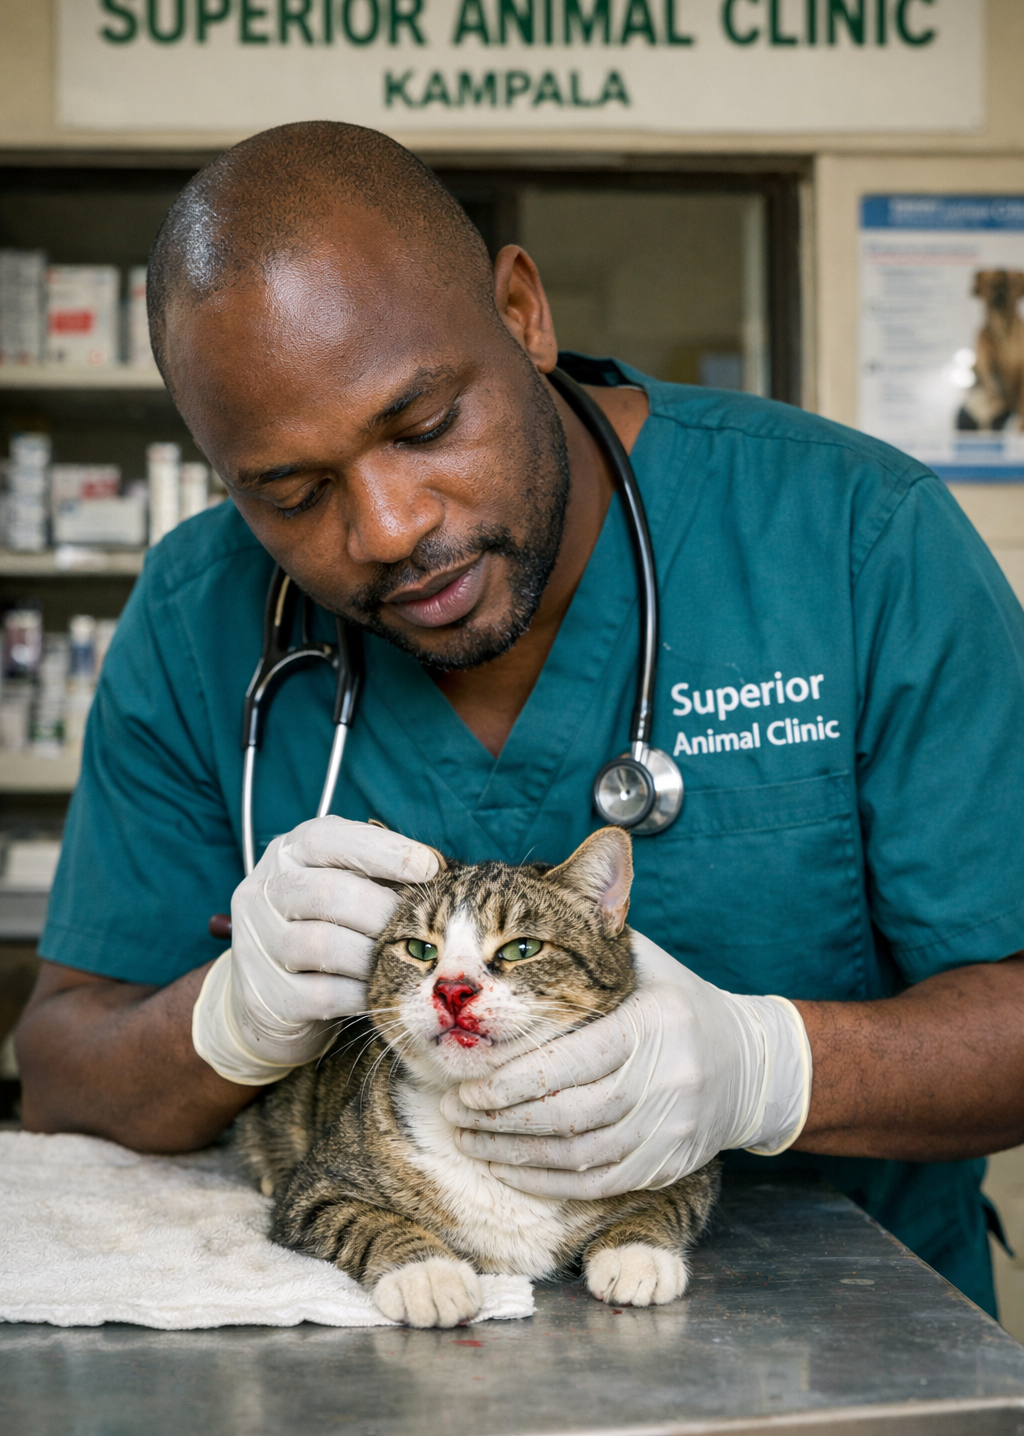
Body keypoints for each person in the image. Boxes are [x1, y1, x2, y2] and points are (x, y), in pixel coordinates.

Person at [15, 123, 1024, 1319]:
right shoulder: (197, 616)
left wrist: (768, 1069)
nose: (387, 527)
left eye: (425, 425)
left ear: (521, 311)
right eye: (293, 493)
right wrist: (228, 1015)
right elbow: (63, 1072)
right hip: (357, 1369)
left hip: (854, 1350)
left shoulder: (858, 541)